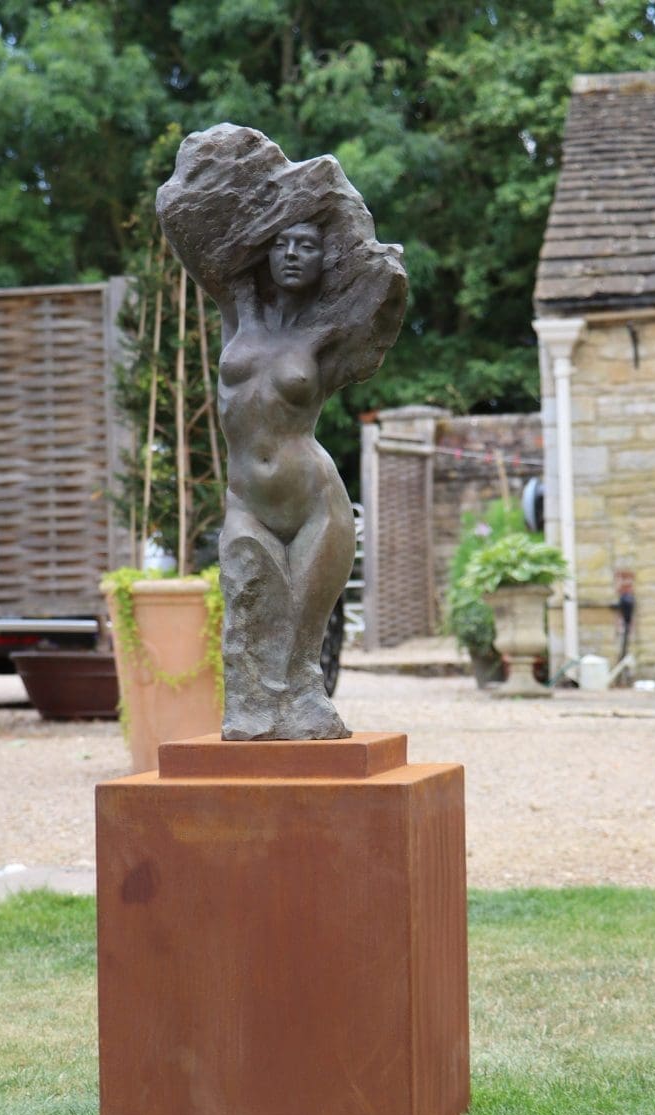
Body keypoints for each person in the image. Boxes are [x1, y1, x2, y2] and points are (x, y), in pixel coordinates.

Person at [157, 125, 406, 739]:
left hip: (315, 503)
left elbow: (385, 289)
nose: (293, 255)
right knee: (249, 641)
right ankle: (253, 719)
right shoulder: (237, 308)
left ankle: (302, 713)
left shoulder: (327, 336)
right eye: (282, 245)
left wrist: (351, 225)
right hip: (247, 502)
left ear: (325, 261)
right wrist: (251, 177)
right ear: (265, 254)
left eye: (307, 246)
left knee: (299, 656)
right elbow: (187, 228)